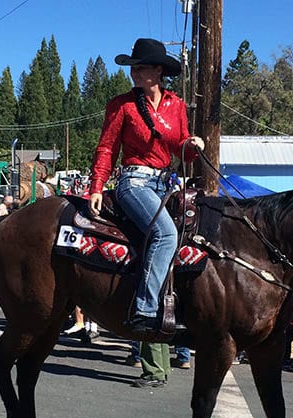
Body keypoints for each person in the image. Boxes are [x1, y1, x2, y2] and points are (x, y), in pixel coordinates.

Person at [87, 37, 204, 337]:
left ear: (158, 71)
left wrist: (192, 145)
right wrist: (97, 186)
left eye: (141, 68)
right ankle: (145, 309)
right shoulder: (122, 105)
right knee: (166, 234)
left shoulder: (175, 105)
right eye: (133, 68)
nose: (134, 73)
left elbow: (182, 150)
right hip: (134, 181)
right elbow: (107, 149)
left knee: (197, 233)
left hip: (166, 183)